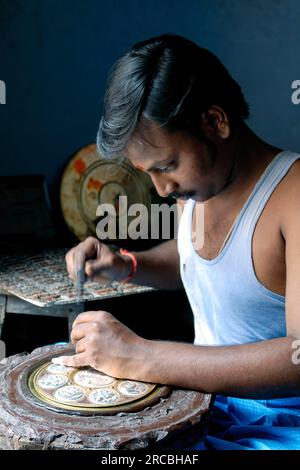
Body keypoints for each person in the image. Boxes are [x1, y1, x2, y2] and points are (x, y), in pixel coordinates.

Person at [60, 34, 300, 449]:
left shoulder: (292, 197)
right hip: (207, 404)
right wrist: (126, 264)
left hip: (279, 424)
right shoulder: (199, 187)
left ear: (215, 122)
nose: (161, 188)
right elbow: (199, 262)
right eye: (147, 172)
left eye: (167, 165)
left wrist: (144, 356)